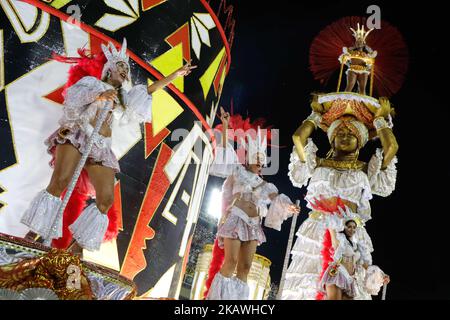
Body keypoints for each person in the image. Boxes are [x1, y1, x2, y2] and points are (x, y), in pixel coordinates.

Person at [20, 38, 196, 252]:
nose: (124, 70)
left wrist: (174, 76)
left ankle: (74, 251)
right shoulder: (93, 84)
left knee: (105, 201)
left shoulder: (123, 98)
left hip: (101, 148)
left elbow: (149, 91)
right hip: (79, 136)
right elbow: (74, 99)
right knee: (60, 182)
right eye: (120, 66)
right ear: (109, 69)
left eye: (126, 68)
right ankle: (32, 236)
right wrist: (99, 95)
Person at [281, 97, 398, 300]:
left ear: (360, 141)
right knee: (308, 289)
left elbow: (391, 148)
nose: (344, 137)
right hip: (316, 232)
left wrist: (379, 120)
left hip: (349, 234)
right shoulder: (317, 164)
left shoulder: (364, 170)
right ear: (332, 138)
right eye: (340, 133)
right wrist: (315, 115)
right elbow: (298, 139)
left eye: (351, 134)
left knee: (348, 292)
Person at [205, 107, 300, 300]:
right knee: (230, 263)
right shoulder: (238, 171)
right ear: (248, 158)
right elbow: (225, 150)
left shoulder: (265, 185)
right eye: (256, 157)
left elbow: (276, 198)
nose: (259, 161)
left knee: (245, 269)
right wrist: (224, 125)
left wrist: (289, 207)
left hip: (253, 225)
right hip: (235, 220)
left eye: (262, 159)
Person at [319, 219, 389, 300]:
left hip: (350, 280)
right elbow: (331, 225)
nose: (352, 229)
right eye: (349, 227)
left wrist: (382, 275)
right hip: (337, 275)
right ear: (344, 228)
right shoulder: (339, 240)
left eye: (354, 227)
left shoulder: (355, 246)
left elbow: (367, 267)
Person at [339, 23, 377, 95]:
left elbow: (371, 60)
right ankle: (344, 102)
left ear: (363, 43)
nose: (359, 43)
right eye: (357, 42)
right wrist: (348, 62)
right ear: (355, 43)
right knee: (350, 85)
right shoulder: (351, 51)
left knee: (362, 88)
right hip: (352, 69)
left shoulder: (367, 54)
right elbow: (343, 58)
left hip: (363, 70)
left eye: (361, 42)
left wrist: (368, 66)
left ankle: (363, 104)